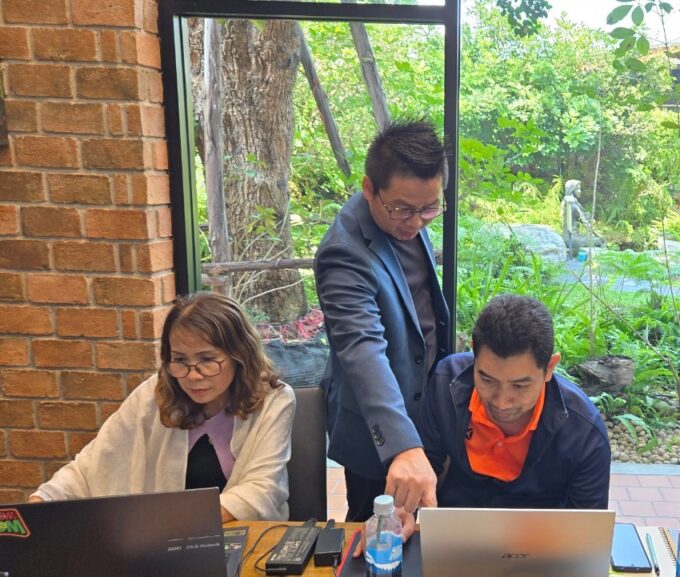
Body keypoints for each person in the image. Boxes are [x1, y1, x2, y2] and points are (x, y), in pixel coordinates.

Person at [30, 292, 296, 522]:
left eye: (207, 359)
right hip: (163, 539)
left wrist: (173, 523)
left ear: (240, 355)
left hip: (242, 536)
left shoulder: (274, 400)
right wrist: (45, 499)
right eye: (179, 360)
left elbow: (261, 490)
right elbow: (93, 465)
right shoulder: (153, 393)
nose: (193, 375)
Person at [316, 120, 450, 521]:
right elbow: (362, 347)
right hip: (376, 431)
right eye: (403, 209)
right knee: (374, 533)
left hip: (425, 411)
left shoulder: (408, 215)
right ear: (368, 188)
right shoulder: (343, 253)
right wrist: (402, 445)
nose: (417, 222)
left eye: (430, 208)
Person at [416, 294, 611, 509]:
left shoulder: (584, 433)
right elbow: (424, 463)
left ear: (549, 367)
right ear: (474, 353)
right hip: (454, 523)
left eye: (519, 386)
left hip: (543, 530)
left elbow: (585, 523)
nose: (502, 403)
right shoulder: (447, 382)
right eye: (487, 380)